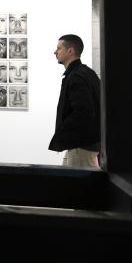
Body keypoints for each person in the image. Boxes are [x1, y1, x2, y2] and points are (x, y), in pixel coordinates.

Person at [49, 34, 102, 169]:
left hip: (81, 145)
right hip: (83, 144)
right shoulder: (86, 73)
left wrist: (63, 128)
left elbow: (83, 111)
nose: (55, 52)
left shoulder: (76, 76)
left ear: (70, 51)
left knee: (81, 181)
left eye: (59, 48)